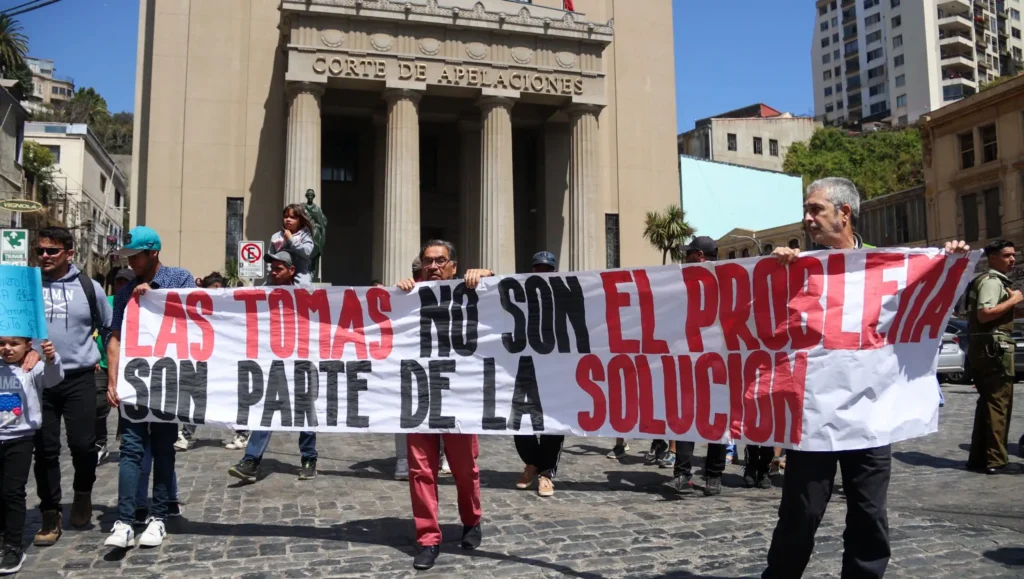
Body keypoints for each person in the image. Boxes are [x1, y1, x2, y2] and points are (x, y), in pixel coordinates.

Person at [762, 177, 969, 578]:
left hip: (871, 417)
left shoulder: (888, 265)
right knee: (800, 514)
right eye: (806, 211)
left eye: (815, 210)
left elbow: (932, 300)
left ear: (844, 213)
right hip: (815, 420)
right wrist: (776, 268)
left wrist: (951, 260)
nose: (807, 219)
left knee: (869, 514)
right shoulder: (799, 266)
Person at [396, 240, 491, 570]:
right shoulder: (410, 298)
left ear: (453, 266)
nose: (433, 266)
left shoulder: (472, 289)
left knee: (465, 468)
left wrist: (488, 274)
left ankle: (471, 520)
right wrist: (402, 290)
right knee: (421, 470)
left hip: (459, 400)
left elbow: (506, 297)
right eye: (427, 261)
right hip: (419, 398)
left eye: (440, 261)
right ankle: (428, 538)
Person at [104, 226, 196, 549]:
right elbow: (115, 337)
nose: (130, 261)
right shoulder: (125, 291)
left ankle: (158, 516)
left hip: (167, 382)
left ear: (153, 252)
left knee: (162, 448)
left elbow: (193, 319)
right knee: (130, 449)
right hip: (135, 382)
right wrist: (112, 380)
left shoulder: (180, 279)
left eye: (135, 255)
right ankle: (125, 520)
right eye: (128, 256)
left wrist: (158, 299)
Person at [32, 226, 112, 545]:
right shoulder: (29, 287)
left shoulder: (88, 287)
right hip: (37, 380)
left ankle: (82, 494)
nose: (45, 256)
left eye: (52, 251)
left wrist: (109, 368)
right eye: (40, 251)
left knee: (82, 445)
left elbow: (109, 328)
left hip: (79, 378)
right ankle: (50, 515)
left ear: (69, 253)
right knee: (46, 450)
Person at [227, 250, 318, 483]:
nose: (273, 271)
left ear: (291, 271)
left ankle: (309, 459)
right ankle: (251, 460)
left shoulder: (305, 294)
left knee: (304, 408)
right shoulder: (262, 295)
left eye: (279, 268)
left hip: (301, 359)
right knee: (265, 409)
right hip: (272, 360)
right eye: (272, 268)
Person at [663, 236, 731, 497]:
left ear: (700, 256)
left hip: (719, 360)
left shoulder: (726, 279)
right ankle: (682, 473)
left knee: (717, 418)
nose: (685, 257)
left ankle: (713, 475)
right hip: (688, 359)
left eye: (689, 253)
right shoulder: (682, 281)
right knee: (686, 415)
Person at [0, 337, 62, 573]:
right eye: (2, 343)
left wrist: (50, 358)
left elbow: (54, 378)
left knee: (12, 491)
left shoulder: (32, 366)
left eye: (14, 344)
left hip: (20, 437)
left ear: (27, 346)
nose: (7, 348)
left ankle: (14, 545)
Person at [965, 240, 1022, 475]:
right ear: (993, 258)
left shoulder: (991, 281)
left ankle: (979, 458)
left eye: (1013, 255)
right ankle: (996, 460)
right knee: (999, 403)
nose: (1013, 259)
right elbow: (985, 313)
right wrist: (1014, 299)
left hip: (985, 348)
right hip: (993, 349)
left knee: (988, 404)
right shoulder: (991, 281)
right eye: (1007, 255)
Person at [393, 256, 451, 481]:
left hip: (441, 359)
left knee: (444, 409)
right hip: (412, 360)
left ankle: (443, 456)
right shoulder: (407, 294)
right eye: (420, 271)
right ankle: (403, 459)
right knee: (406, 410)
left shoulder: (450, 290)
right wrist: (399, 291)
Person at [514, 251, 565, 497]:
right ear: (532, 271)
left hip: (555, 368)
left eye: (547, 269)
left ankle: (545, 473)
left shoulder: (564, 294)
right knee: (517, 419)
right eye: (538, 269)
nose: (542, 273)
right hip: (522, 366)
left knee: (552, 422)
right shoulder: (520, 293)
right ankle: (531, 464)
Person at [96, 268, 135, 465]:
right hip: (102, 364)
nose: (121, 286)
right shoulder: (107, 302)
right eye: (118, 282)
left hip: (127, 366)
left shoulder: (137, 303)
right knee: (98, 405)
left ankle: (125, 443)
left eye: (125, 283)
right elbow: (93, 328)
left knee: (126, 407)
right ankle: (99, 444)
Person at [271, 204, 315, 287]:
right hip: (280, 272)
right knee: (267, 288)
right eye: (286, 216)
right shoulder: (275, 237)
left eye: (292, 217)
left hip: (300, 271)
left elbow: (307, 252)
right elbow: (271, 257)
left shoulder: (305, 236)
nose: (288, 219)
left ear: (300, 220)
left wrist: (291, 239)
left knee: (305, 288)